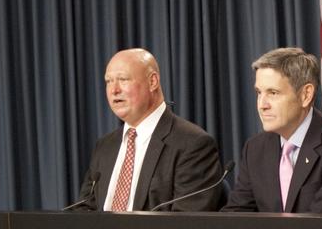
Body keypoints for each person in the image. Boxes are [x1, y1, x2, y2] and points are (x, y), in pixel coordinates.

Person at [222, 47, 322, 213]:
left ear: (305, 95)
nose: (262, 105)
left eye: (273, 93)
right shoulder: (255, 148)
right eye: (259, 92)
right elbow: (235, 217)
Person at [78, 48, 224, 212]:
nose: (114, 90)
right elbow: (84, 209)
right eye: (108, 81)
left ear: (153, 81)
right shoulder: (105, 146)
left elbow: (186, 224)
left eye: (123, 79)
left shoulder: (192, 144)